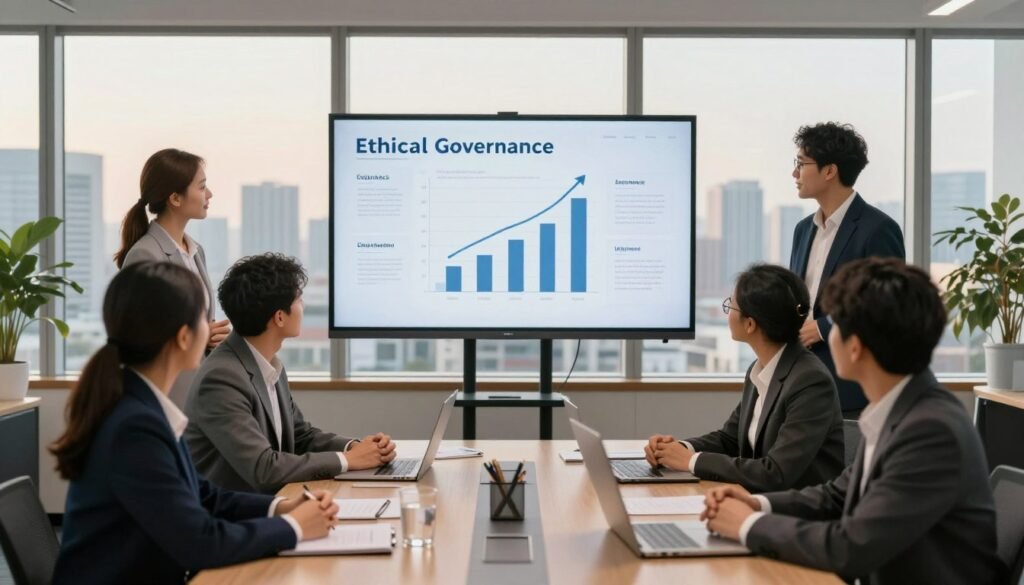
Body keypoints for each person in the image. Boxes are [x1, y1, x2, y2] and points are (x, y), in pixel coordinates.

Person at [701, 258, 1004, 585]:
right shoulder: (904, 408)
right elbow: (837, 496)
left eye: (834, 327)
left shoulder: (931, 431)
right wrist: (756, 503)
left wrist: (747, 525)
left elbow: (852, 546)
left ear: (855, 347)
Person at [49, 262, 338, 585]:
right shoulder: (134, 427)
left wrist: (282, 507)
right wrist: (295, 527)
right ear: (184, 337)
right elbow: (200, 542)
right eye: (204, 318)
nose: (213, 328)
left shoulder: (142, 407)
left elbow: (205, 496)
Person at [185, 253, 397, 493]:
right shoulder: (222, 378)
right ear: (279, 317)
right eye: (299, 299)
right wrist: (349, 461)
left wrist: (356, 447)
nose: (303, 306)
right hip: (233, 518)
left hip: (273, 503)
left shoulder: (267, 364)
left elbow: (300, 436)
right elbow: (263, 468)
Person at [645, 264, 844, 492]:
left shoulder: (809, 381)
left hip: (800, 515)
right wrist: (677, 449)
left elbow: (776, 473)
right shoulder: (760, 369)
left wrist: (690, 461)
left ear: (750, 324)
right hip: (760, 502)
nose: (727, 311)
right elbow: (729, 439)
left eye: (731, 305)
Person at [789, 122, 905, 417]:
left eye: (801, 164)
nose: (794, 173)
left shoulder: (878, 229)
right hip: (801, 383)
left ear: (830, 171)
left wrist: (823, 327)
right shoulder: (803, 230)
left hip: (850, 390)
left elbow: (887, 305)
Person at [114, 148, 232, 405]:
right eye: (202, 187)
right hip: (165, 393)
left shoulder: (195, 251)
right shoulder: (145, 255)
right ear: (175, 198)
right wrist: (199, 335)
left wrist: (207, 338)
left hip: (195, 386)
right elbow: (138, 335)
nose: (209, 194)